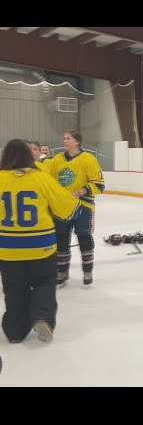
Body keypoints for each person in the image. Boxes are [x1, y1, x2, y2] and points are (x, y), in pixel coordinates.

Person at [0, 139, 81, 343]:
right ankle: (42, 317)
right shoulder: (41, 178)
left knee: (13, 288)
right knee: (44, 283)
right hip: (41, 245)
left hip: (8, 248)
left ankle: (15, 332)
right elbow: (66, 207)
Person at [47, 130, 105, 286]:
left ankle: (87, 272)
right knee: (61, 239)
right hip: (62, 208)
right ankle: (62, 272)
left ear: (77, 142)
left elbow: (99, 184)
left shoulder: (88, 159)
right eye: (64, 138)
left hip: (82, 207)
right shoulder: (58, 159)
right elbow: (49, 181)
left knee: (84, 237)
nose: (64, 140)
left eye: (68, 138)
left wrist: (81, 191)